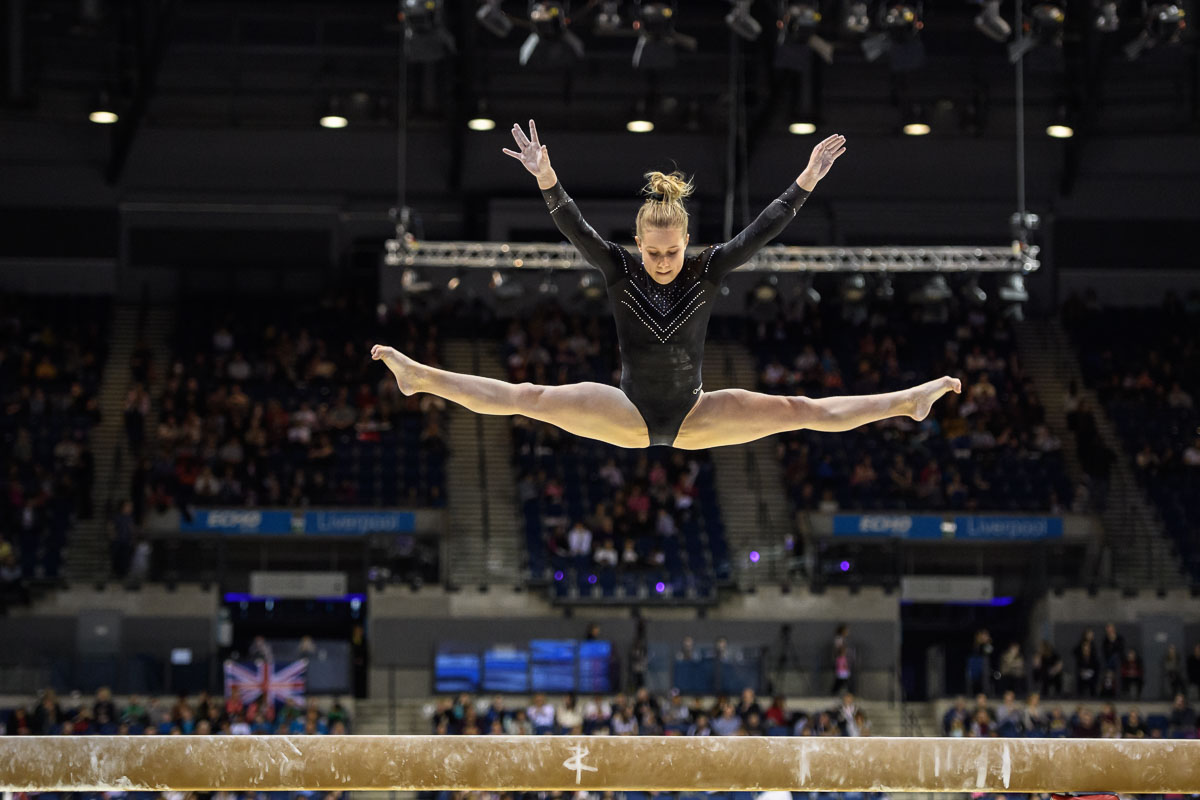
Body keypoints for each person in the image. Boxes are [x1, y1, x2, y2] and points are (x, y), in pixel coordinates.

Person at [371, 120, 960, 450]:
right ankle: (420, 376)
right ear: (637, 243)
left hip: (696, 413)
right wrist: (547, 177)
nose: (660, 261)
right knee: (528, 398)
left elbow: (763, 229)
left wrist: (805, 179)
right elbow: (573, 226)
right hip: (625, 410)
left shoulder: (710, 267)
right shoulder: (619, 266)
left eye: (671, 252)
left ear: (686, 242)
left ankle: (908, 402)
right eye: (651, 252)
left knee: (798, 408)